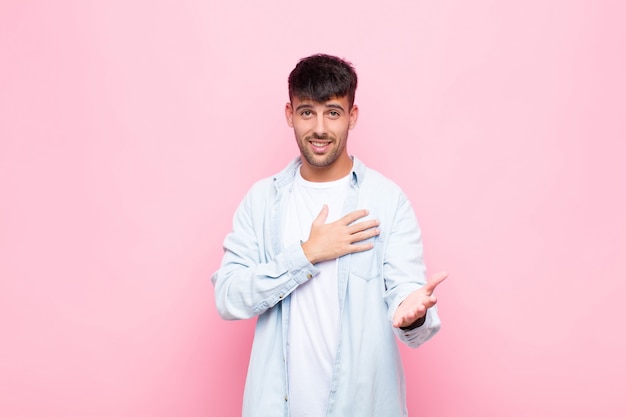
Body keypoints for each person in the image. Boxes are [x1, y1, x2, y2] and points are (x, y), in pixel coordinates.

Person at [212, 53, 447, 417]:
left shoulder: (387, 200)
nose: (319, 128)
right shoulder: (262, 201)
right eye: (307, 112)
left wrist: (412, 314)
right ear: (290, 114)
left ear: (352, 117)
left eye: (333, 112)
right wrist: (306, 254)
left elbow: (406, 296)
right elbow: (228, 297)